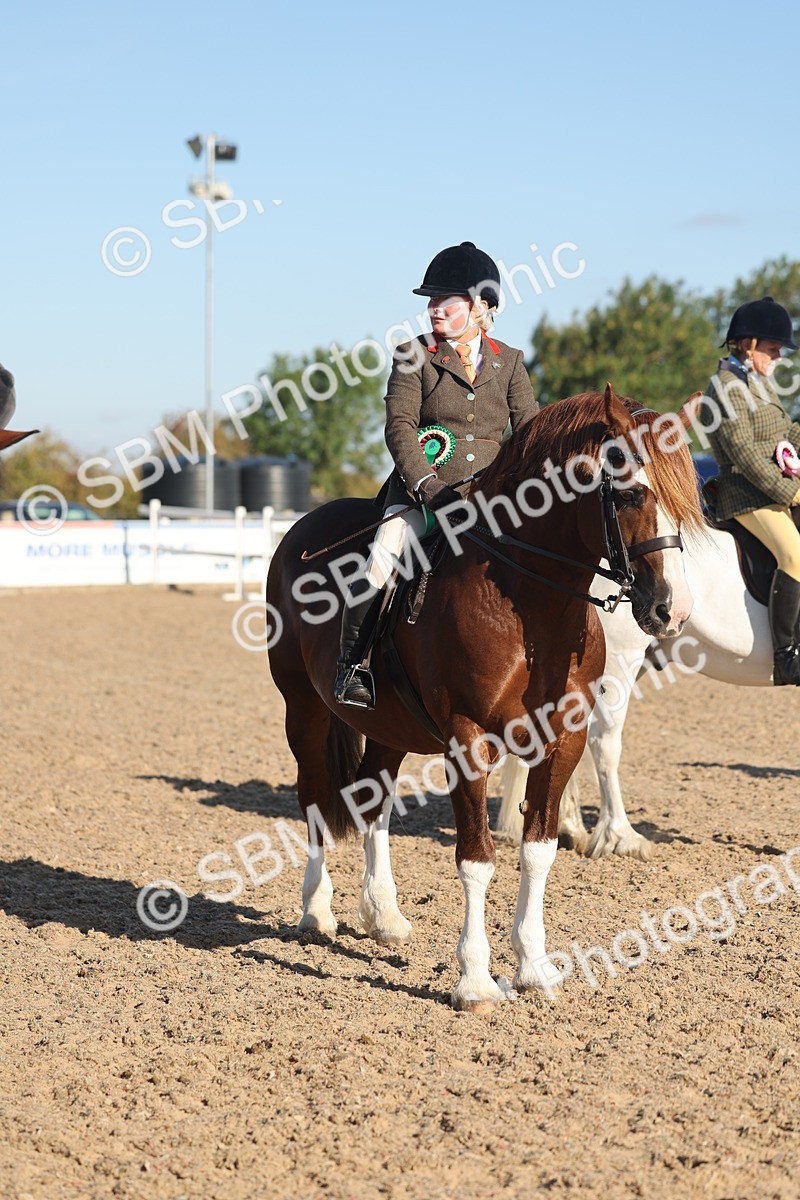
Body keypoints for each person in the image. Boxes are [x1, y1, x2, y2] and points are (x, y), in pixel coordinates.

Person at [334, 241, 539, 706]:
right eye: (431, 300)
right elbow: (400, 427)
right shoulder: (414, 354)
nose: (434, 308)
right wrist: (430, 487)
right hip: (422, 493)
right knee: (383, 556)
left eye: (446, 300)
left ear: (481, 306)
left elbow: (530, 431)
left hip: (493, 497)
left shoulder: (509, 361)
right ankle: (353, 665)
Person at [703, 297, 800, 685]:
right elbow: (744, 453)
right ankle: (787, 655)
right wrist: (790, 493)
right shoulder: (724, 388)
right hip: (745, 494)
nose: (778, 357)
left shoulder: (758, 383)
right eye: (773, 349)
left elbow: (784, 433)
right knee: (795, 556)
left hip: (773, 488)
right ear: (748, 344)